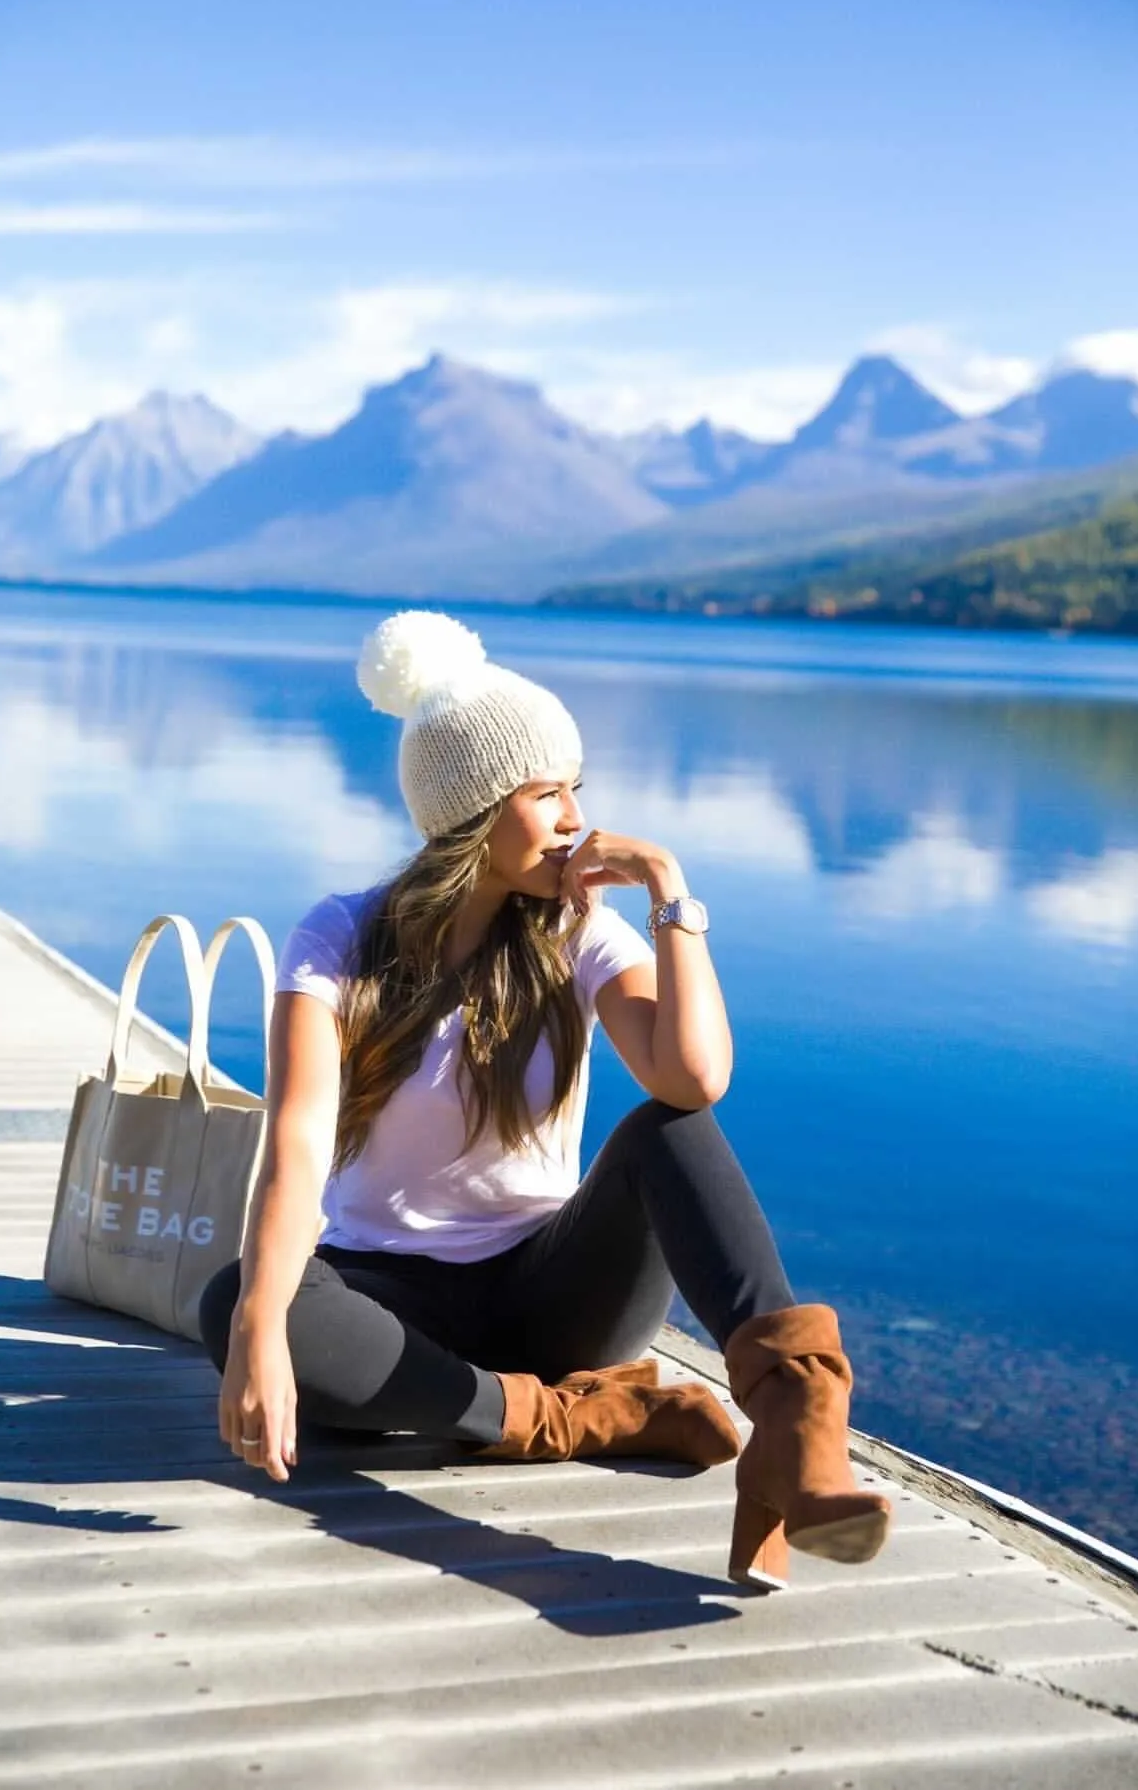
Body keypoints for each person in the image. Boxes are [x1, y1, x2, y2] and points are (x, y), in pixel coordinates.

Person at [199, 609, 891, 1591]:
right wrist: (261, 1330)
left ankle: (795, 1424)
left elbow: (693, 1078)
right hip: (390, 1303)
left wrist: (668, 889)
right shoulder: (342, 935)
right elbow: (298, 1141)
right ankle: (580, 1415)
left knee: (668, 1131)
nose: (575, 816)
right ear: (473, 812)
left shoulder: (579, 932)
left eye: (578, 788)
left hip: (553, 1295)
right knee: (236, 1298)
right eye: (546, 791)